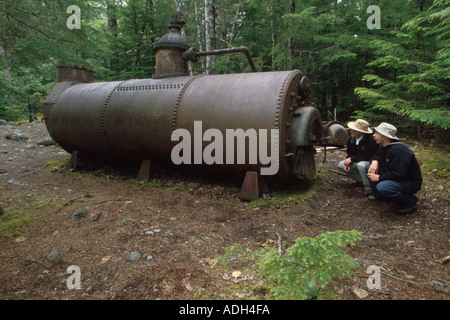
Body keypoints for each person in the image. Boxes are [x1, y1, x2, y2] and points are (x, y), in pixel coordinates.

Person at [366, 122, 422, 214]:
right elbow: (376, 155)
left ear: (386, 137)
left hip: (409, 182)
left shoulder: (399, 150)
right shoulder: (384, 146)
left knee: (383, 186)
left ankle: (409, 201)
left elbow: (399, 174)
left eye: (377, 133)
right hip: (396, 177)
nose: (374, 135)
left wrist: (379, 178)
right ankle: (382, 195)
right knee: (368, 166)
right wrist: (374, 161)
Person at [337, 119, 378, 196]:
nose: (350, 131)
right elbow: (350, 153)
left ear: (360, 132)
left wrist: (352, 159)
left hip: (369, 163)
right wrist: (348, 161)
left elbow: (368, 156)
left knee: (361, 165)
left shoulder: (371, 140)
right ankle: (361, 180)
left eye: (353, 130)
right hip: (357, 160)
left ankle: (368, 188)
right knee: (341, 165)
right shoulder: (351, 139)